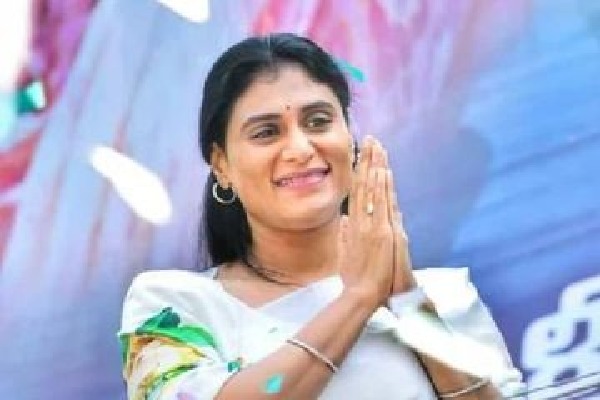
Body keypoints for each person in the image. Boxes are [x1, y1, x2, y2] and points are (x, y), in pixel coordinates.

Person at [118, 33, 524, 399]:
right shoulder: (175, 306)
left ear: (349, 138)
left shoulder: (445, 297)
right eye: (266, 132)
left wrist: (407, 301)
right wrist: (358, 299)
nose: (300, 148)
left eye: (318, 121)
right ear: (222, 165)